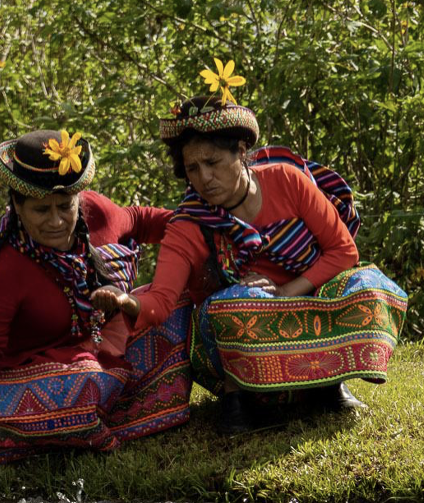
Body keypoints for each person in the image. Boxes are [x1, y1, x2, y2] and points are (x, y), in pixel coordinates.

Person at [121, 73, 408, 436]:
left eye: (213, 161)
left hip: (305, 303)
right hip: (237, 338)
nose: (204, 177)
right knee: (237, 303)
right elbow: (162, 299)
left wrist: (287, 292)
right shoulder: (189, 223)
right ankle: (237, 400)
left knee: (368, 286)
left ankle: (327, 384)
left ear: (240, 153)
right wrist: (128, 304)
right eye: (193, 168)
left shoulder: (287, 181)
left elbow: (343, 251)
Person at [0, 130, 191, 498]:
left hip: (100, 351)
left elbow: (146, 221)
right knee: (84, 385)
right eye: (41, 210)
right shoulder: (5, 263)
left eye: (66, 207)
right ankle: (93, 415)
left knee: (178, 307)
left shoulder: (96, 214)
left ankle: (94, 418)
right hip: (38, 377)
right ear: (17, 205)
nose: (57, 221)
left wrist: (213, 234)